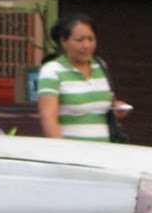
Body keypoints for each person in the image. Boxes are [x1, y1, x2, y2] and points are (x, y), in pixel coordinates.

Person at [36, 13, 127, 142]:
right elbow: (48, 116)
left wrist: (117, 109)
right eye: (80, 40)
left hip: (104, 152)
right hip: (73, 154)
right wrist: (60, 151)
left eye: (91, 39)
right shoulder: (52, 70)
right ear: (64, 41)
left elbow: (108, 104)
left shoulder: (100, 66)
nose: (86, 45)